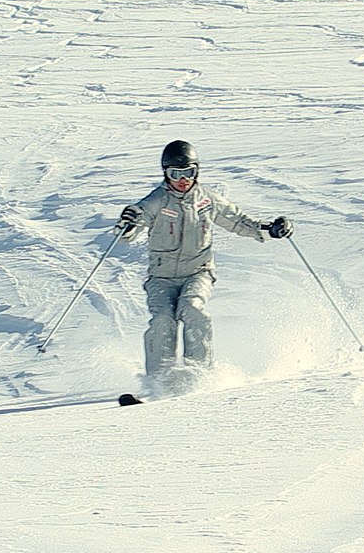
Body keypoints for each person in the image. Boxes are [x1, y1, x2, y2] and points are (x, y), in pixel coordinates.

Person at [116, 140, 293, 384]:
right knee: (162, 320)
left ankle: (198, 377)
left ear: (197, 171)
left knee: (193, 310)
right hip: (162, 278)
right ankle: (159, 382)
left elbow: (239, 221)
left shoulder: (207, 200)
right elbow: (130, 231)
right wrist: (128, 224)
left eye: (189, 172)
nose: (182, 179)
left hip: (198, 272)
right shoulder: (156, 202)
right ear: (165, 174)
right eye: (175, 173)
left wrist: (270, 230)